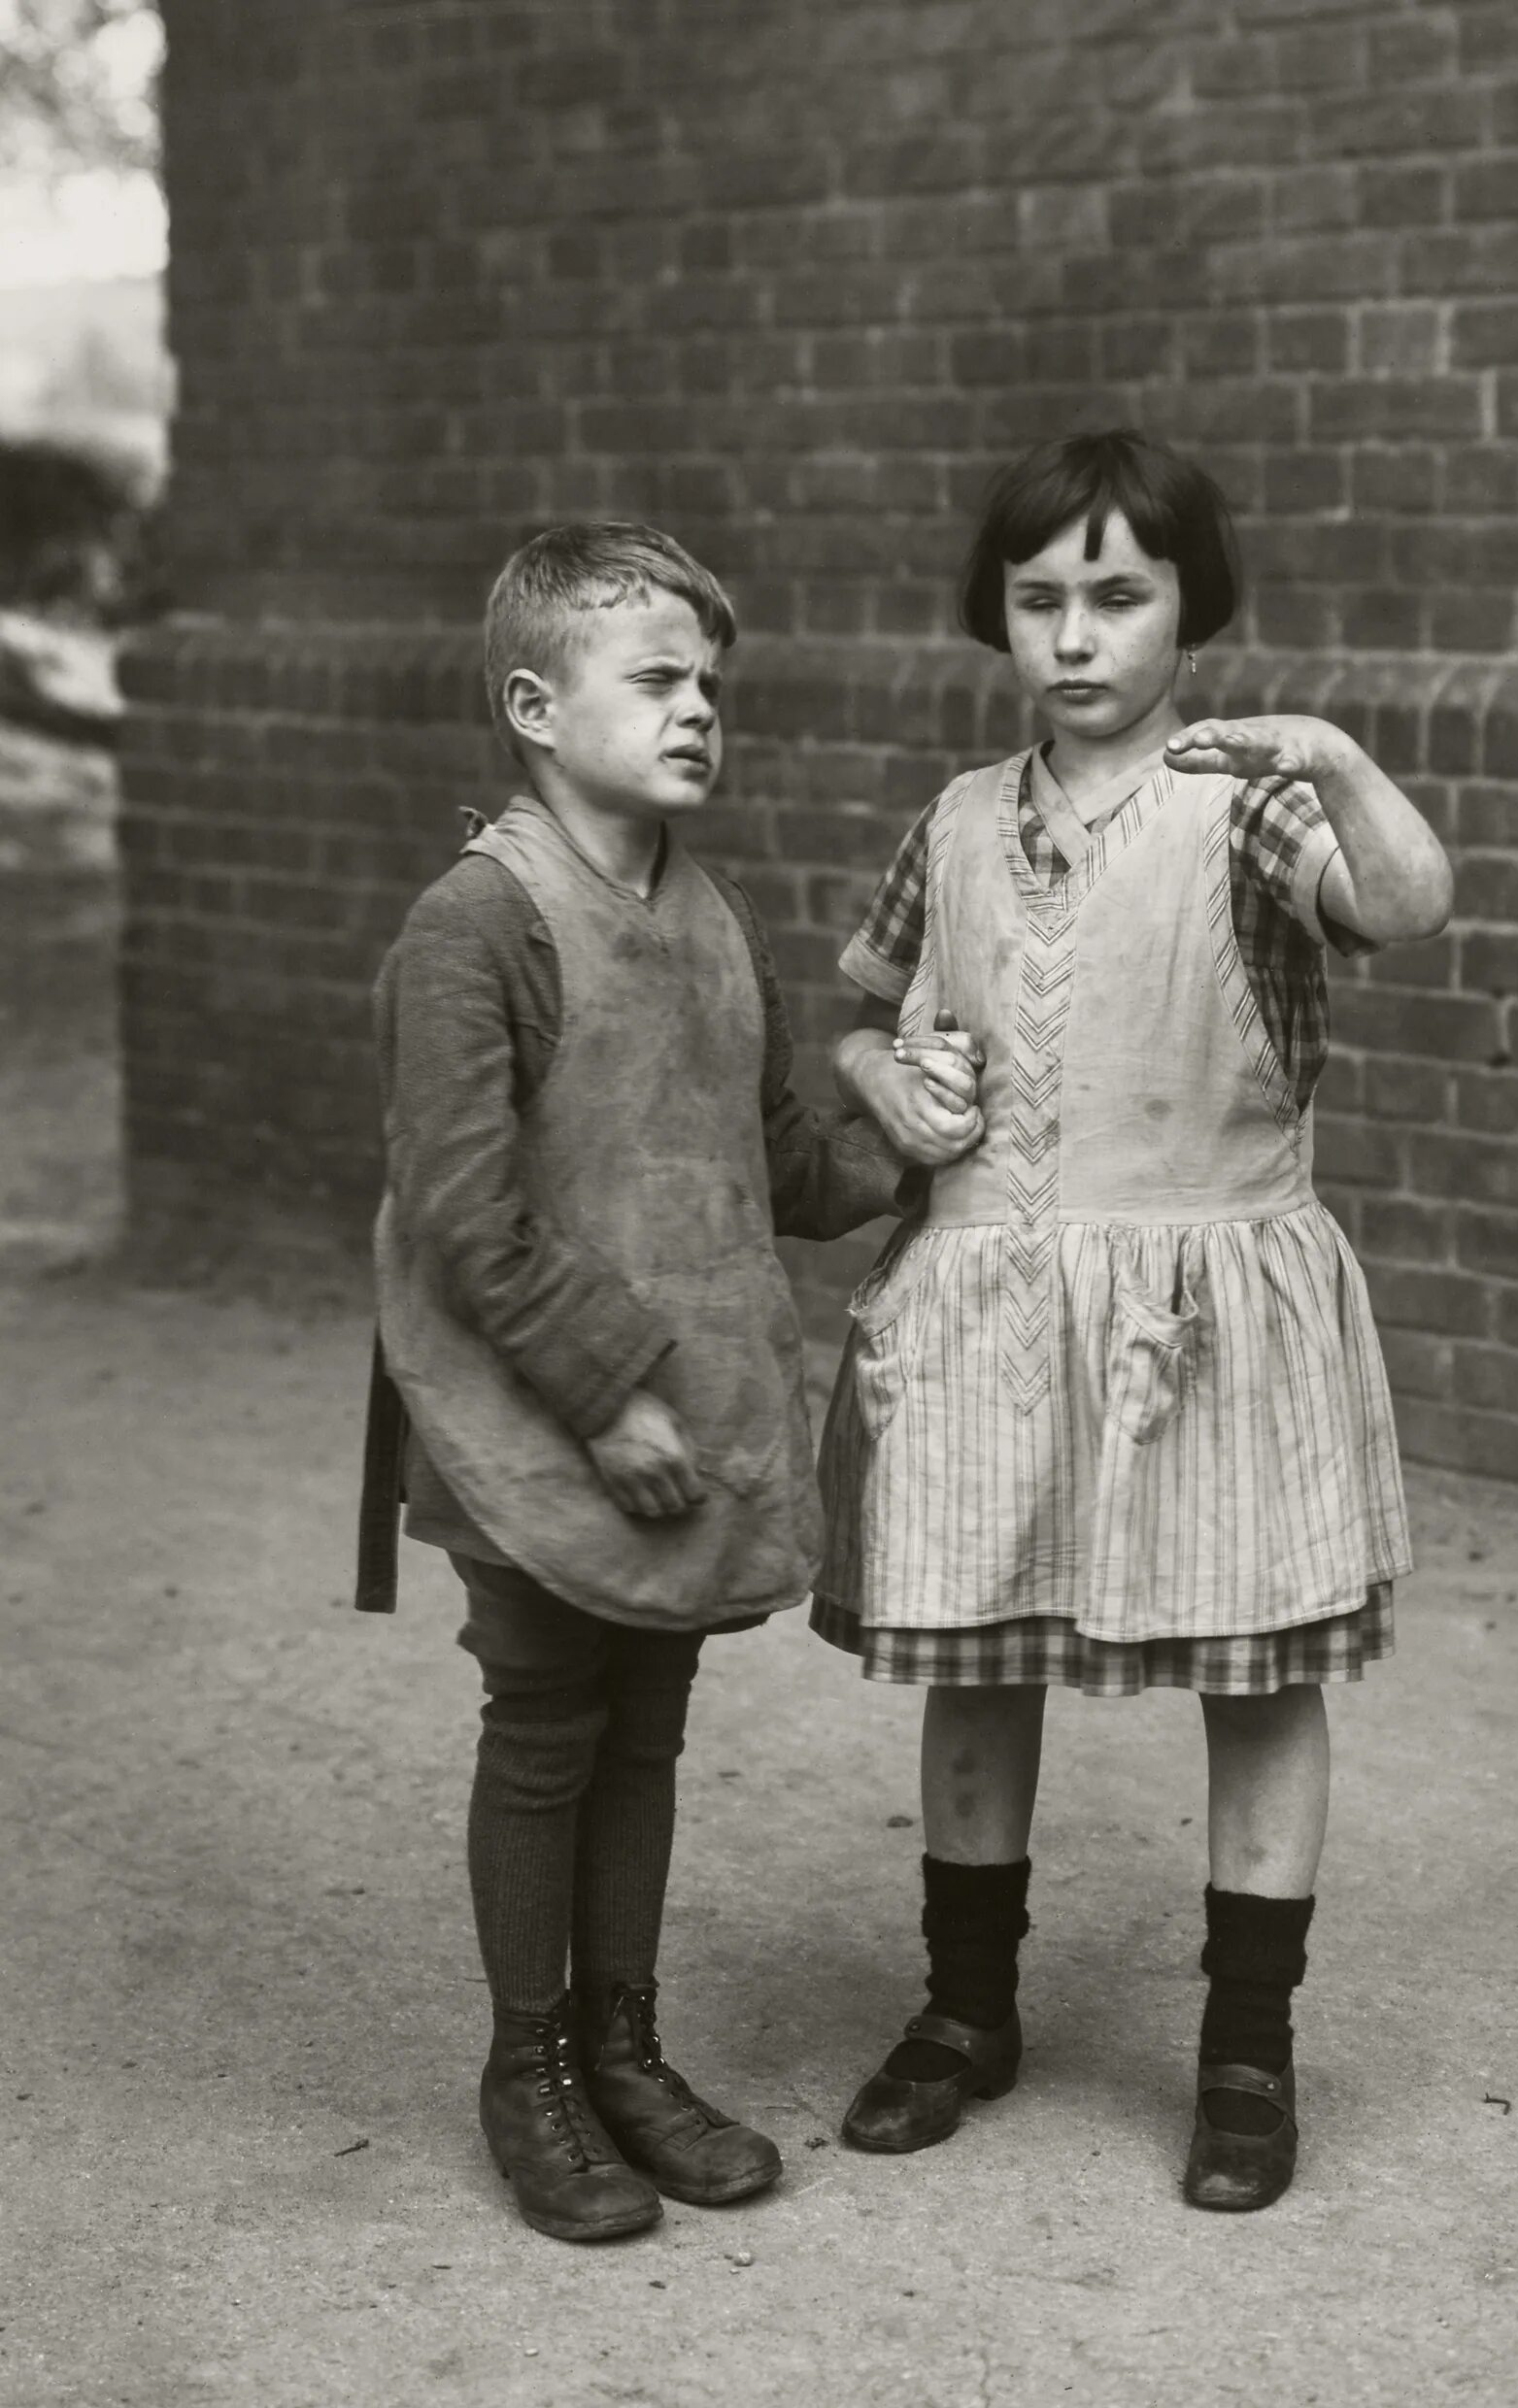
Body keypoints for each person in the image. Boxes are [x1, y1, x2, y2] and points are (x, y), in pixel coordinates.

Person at [814, 428, 1453, 2211]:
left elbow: (1403, 906)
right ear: (997, 616)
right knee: (976, 1658)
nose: (1077, 636)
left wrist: (1335, 759)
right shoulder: (949, 820)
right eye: (1041, 600)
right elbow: (867, 1019)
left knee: (1256, 1675)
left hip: (1206, 1297)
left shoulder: (1247, 797)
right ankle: (965, 2016)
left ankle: (1247, 2049)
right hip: (990, 1307)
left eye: (1119, 595)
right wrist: (888, 1075)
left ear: (1190, 607)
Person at [354, 521, 966, 2243]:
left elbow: (768, 1161)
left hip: (685, 1420)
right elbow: (462, 1217)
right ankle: (528, 2068)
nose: (701, 709)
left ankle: (626, 2050)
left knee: (649, 1727)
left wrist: (912, 1149)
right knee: (548, 1726)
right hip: (538, 1421)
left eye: (714, 682)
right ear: (539, 707)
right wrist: (609, 1395)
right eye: (660, 679)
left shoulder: (709, 914)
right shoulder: (477, 924)